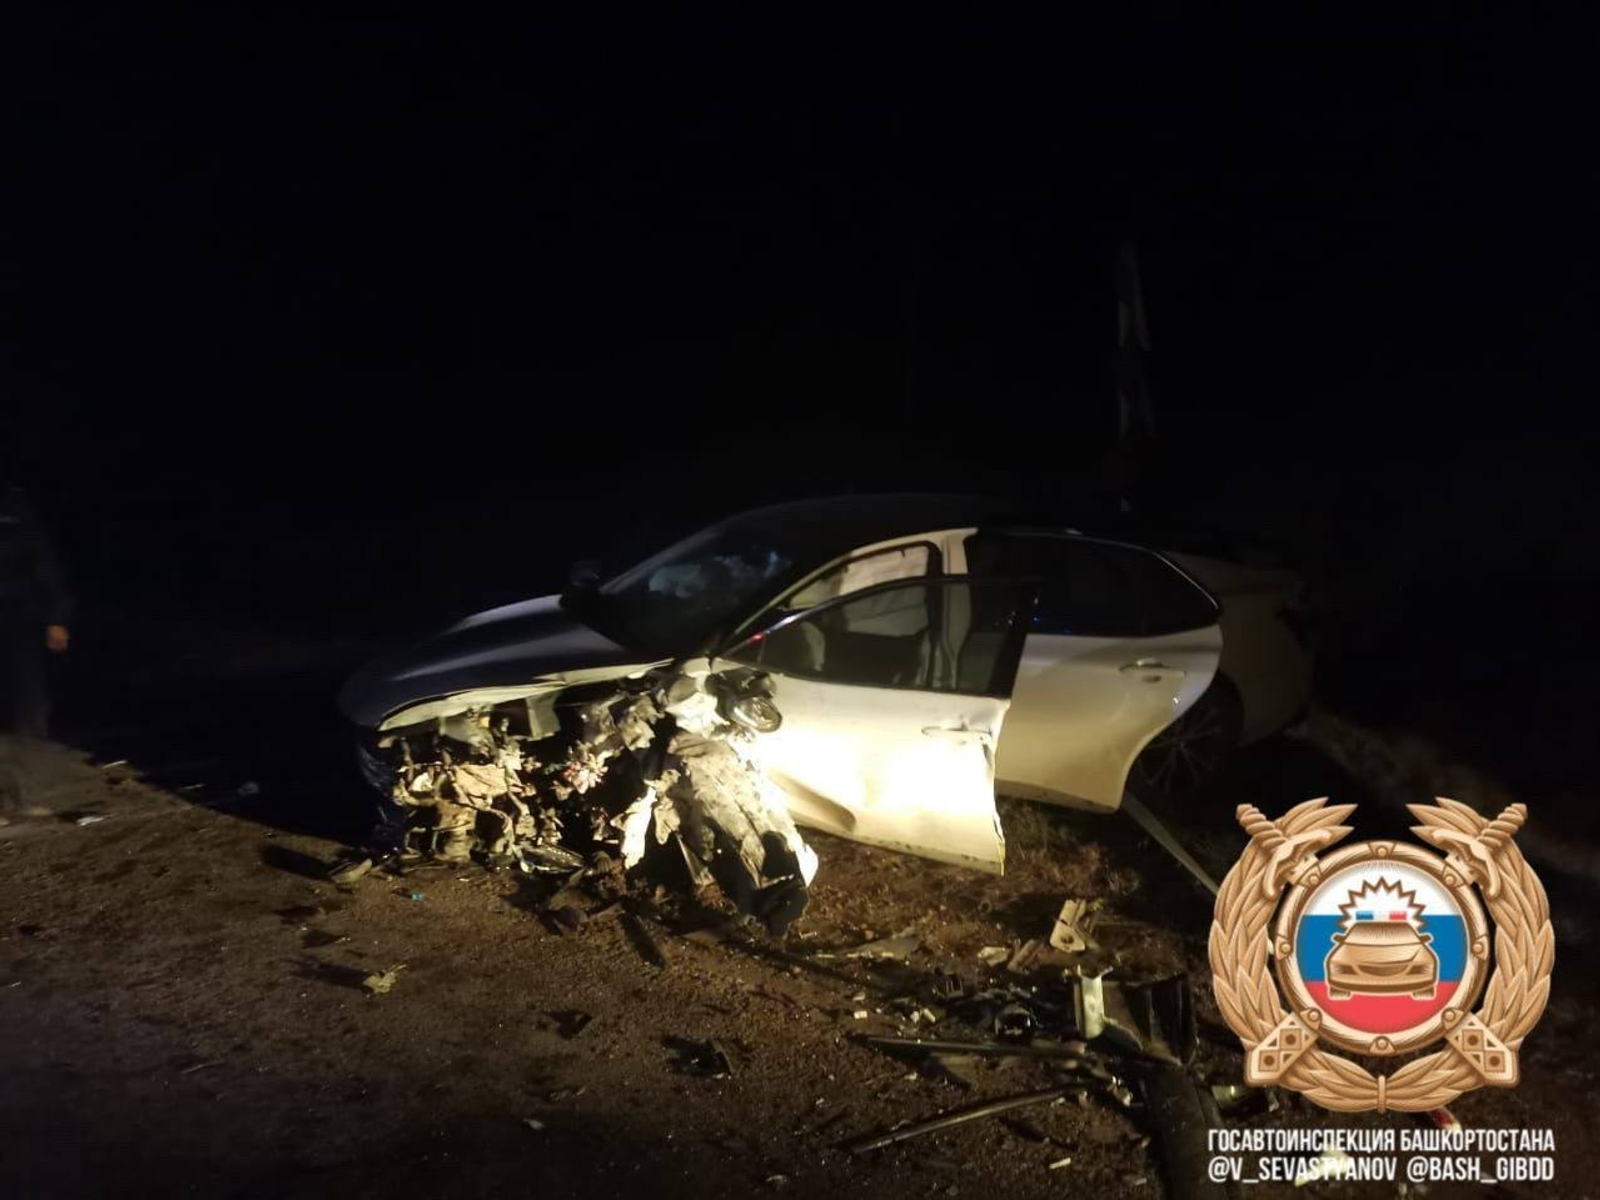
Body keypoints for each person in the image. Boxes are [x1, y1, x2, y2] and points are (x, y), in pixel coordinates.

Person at [0, 486, 72, 738]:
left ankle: (33, 736)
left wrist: (57, 620)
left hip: (20, 615)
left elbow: (50, 578)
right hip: (18, 611)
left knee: (27, 678)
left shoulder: (24, 530)